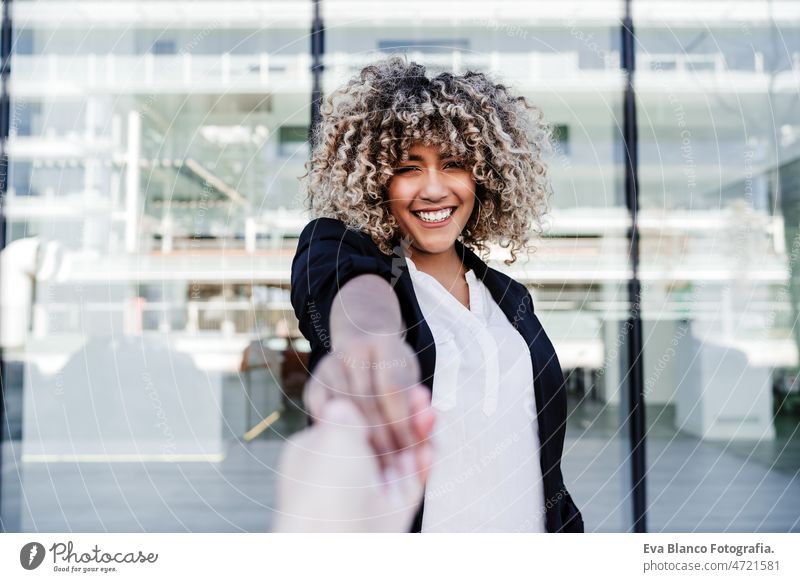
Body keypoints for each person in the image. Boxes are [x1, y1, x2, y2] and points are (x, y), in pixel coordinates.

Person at [290, 56, 584, 533]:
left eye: (453, 164)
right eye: (409, 167)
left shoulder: (509, 299)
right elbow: (348, 294)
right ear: (375, 179)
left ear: (483, 176)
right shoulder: (339, 249)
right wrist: (373, 342)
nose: (433, 189)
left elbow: (540, 454)